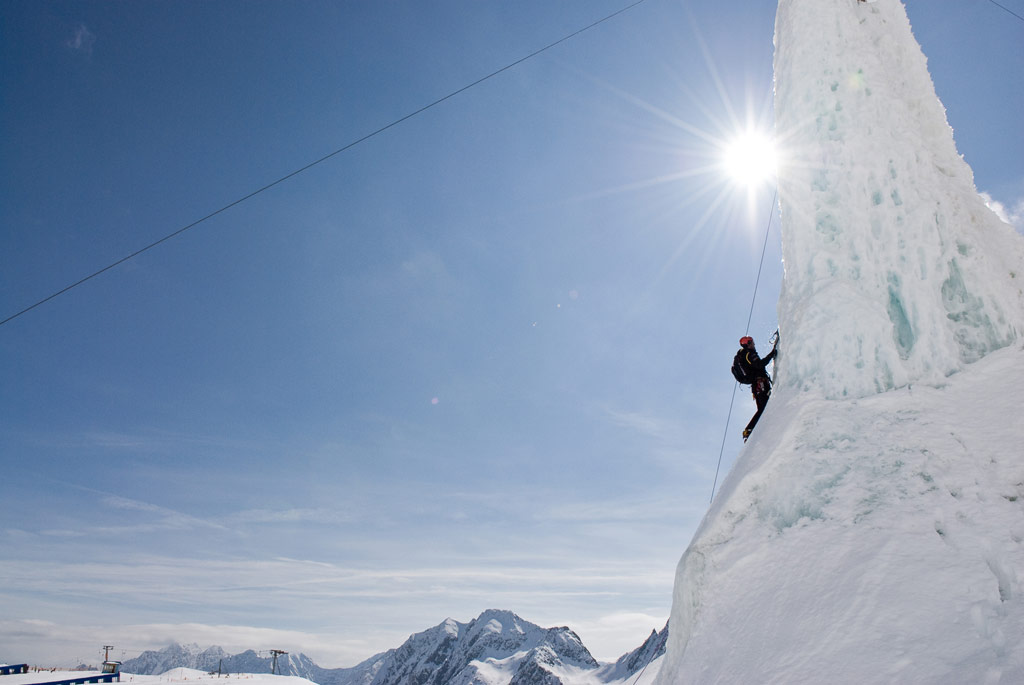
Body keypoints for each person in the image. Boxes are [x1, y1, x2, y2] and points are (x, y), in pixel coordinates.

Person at [737, 335, 777, 441]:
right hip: (760, 383)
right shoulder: (749, 354)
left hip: (757, 384)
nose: (754, 344)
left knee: (763, 407)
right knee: (763, 407)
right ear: (749, 344)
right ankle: (749, 429)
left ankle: (750, 430)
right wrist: (772, 353)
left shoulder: (745, 355)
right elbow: (760, 364)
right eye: (752, 342)